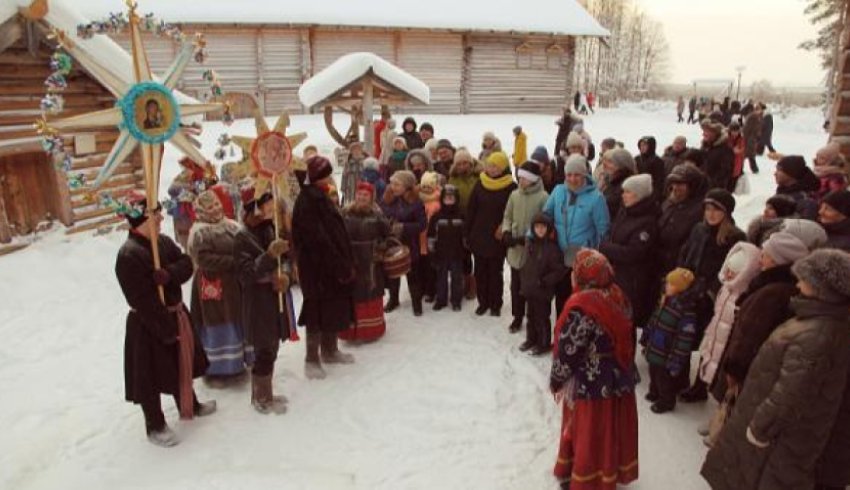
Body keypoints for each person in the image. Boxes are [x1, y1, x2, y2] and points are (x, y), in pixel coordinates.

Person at [701, 250, 850, 490]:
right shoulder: (815, 319)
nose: (798, 281)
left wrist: (760, 428)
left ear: (822, 289)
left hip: (774, 437)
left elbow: (792, 392)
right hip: (771, 429)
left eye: (805, 278)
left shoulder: (818, 334)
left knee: (755, 479)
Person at [115, 193, 214, 447]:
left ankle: (189, 403)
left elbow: (186, 264)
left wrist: (168, 274)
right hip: (149, 324)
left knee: (180, 363)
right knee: (151, 374)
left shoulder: (162, 242)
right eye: (154, 214)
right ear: (139, 219)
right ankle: (154, 425)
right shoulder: (129, 255)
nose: (160, 218)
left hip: (174, 313)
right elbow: (142, 300)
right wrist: (164, 327)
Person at [550, 248, 639, 490]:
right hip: (618, 378)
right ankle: (608, 474)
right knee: (609, 431)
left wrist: (557, 378)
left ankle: (586, 480)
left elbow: (570, 348)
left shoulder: (582, 305)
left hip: (590, 381)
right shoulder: (618, 294)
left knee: (588, 433)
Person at [720, 232, 811, 400]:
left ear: (779, 261)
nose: (760, 260)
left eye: (765, 256)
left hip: (748, 365)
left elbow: (751, 333)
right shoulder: (782, 285)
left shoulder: (772, 292)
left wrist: (734, 369)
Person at [677, 188, 746, 403]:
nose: (711, 214)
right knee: (685, 336)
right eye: (708, 208)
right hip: (689, 288)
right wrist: (680, 276)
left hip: (710, 297)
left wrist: (709, 290)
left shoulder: (734, 237)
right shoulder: (699, 229)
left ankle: (700, 385)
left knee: (707, 342)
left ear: (726, 212)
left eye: (716, 210)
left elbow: (732, 271)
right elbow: (686, 253)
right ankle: (680, 378)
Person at [292, 156, 357, 379]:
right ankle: (311, 359)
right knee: (317, 311)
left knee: (333, 307)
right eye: (327, 174)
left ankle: (330, 350)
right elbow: (317, 239)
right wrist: (336, 263)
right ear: (319, 177)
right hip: (318, 268)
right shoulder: (307, 201)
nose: (330, 177)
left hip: (331, 265)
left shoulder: (320, 196)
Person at [234, 185, 293, 411]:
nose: (270, 209)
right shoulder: (241, 238)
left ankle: (265, 392)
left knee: (273, 346)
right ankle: (261, 398)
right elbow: (246, 274)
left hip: (274, 297)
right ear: (253, 209)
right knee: (264, 350)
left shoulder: (271, 228)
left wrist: (285, 276)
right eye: (266, 204)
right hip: (258, 302)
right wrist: (269, 256)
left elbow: (285, 259)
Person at [187, 190, 248, 381]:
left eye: (216, 204)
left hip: (233, 286)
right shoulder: (199, 233)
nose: (215, 209)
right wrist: (233, 261)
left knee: (236, 318)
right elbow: (204, 259)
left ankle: (236, 364)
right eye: (210, 207)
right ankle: (218, 369)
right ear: (202, 212)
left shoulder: (230, 226)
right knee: (219, 323)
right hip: (212, 287)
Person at [543, 154, 610, 311]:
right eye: (569, 174)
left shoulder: (596, 198)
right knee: (561, 296)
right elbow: (546, 214)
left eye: (577, 174)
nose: (572, 179)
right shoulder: (558, 191)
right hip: (560, 254)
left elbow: (603, 230)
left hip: (582, 258)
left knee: (579, 299)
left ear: (585, 175)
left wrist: (596, 257)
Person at [695, 242, 762, 399]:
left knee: (718, 367)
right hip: (716, 331)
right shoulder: (726, 288)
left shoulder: (744, 294)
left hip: (727, 338)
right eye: (729, 270)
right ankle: (699, 387)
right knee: (706, 357)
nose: (729, 275)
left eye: (735, 272)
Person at [599, 174, 659, 330]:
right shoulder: (626, 211)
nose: (623, 195)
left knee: (625, 324)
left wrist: (605, 247)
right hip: (616, 276)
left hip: (632, 282)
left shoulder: (647, 222)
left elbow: (634, 253)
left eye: (628, 192)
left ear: (639, 195)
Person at [466, 151, 517, 316]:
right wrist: (467, 233)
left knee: (495, 272)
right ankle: (483, 302)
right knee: (480, 271)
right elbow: (471, 210)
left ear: (503, 167)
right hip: (479, 235)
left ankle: (495, 304)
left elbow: (512, 212)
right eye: (489, 165)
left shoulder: (511, 186)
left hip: (497, 236)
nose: (492, 169)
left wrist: (504, 226)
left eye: (495, 166)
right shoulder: (480, 183)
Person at [339, 182, 391, 342]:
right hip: (350, 260)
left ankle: (370, 331)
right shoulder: (345, 213)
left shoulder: (377, 215)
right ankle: (350, 332)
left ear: (371, 198)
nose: (361, 197)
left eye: (365, 195)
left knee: (370, 293)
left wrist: (381, 248)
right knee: (352, 294)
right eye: (359, 194)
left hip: (371, 263)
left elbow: (387, 236)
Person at [642, 267, 698, 414]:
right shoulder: (664, 300)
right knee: (653, 371)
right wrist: (646, 334)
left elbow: (684, 339)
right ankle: (654, 391)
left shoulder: (686, 310)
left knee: (664, 378)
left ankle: (666, 401)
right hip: (655, 346)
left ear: (679, 288)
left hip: (667, 352)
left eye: (670, 284)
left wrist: (677, 359)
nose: (666, 286)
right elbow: (654, 319)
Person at [501, 161, 549, 332]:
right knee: (515, 285)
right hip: (515, 248)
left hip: (532, 250)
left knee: (530, 285)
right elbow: (507, 216)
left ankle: (532, 316)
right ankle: (517, 316)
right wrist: (506, 232)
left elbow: (546, 222)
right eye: (520, 177)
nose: (521, 181)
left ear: (534, 179)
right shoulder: (514, 195)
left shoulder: (543, 197)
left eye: (525, 178)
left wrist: (528, 237)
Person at [519, 213, 567, 355]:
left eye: (543, 227)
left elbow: (558, 271)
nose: (540, 230)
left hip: (543, 291)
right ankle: (531, 339)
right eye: (537, 227)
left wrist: (545, 281)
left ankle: (544, 343)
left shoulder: (552, 248)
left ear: (548, 229)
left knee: (542, 318)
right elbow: (525, 265)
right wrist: (524, 282)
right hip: (530, 289)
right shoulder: (530, 245)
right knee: (531, 316)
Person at [381, 170, 427, 316]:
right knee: (393, 273)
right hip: (392, 243)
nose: (393, 187)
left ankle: (416, 303)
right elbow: (381, 215)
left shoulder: (416, 202)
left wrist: (404, 227)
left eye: (397, 184)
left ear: (406, 186)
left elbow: (422, 224)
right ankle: (393, 299)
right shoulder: (387, 199)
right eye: (392, 183)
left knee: (412, 274)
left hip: (409, 243)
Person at [655, 163, 709, 277]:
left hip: (676, 268)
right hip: (658, 264)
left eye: (680, 184)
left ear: (692, 186)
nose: (675, 187)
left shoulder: (700, 211)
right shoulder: (668, 202)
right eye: (673, 183)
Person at [448, 148, 482, 301]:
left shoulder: (479, 176)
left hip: (477, 220)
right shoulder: (452, 178)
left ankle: (476, 284)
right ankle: (466, 283)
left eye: (465, 163)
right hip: (459, 220)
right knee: (464, 254)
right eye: (459, 163)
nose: (462, 166)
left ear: (470, 163)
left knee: (477, 254)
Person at [427, 185, 466, 311]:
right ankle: (441, 300)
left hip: (457, 253)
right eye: (446, 197)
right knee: (441, 278)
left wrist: (466, 251)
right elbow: (431, 235)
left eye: (452, 197)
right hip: (441, 253)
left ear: (456, 199)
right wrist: (432, 251)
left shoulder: (461, 215)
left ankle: (456, 300)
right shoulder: (436, 217)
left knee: (456, 278)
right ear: (442, 199)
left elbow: (465, 236)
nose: (449, 199)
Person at [418, 171, 442, 302]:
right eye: (424, 186)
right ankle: (425, 288)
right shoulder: (419, 198)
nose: (426, 189)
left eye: (429, 186)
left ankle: (434, 290)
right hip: (420, 235)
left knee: (433, 264)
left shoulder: (438, 200)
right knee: (424, 263)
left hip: (432, 234)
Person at [774, 155, 819, 220]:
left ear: (791, 172)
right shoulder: (783, 191)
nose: (775, 173)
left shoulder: (805, 199)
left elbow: (801, 226)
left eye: (779, 170)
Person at [599, 148, 636, 219]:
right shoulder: (612, 181)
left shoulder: (626, 185)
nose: (606, 165)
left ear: (621, 165)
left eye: (611, 162)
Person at [700, 120, 734, 191]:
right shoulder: (705, 147)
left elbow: (725, 172)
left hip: (713, 189)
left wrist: (712, 184)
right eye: (704, 131)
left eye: (707, 132)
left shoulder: (725, 150)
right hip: (700, 186)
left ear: (715, 133)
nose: (703, 134)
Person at [635, 136, 666, 203]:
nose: (642, 147)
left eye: (645, 145)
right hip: (637, 189)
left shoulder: (657, 161)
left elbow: (659, 180)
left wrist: (656, 196)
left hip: (651, 192)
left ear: (651, 146)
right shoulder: (637, 159)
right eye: (641, 145)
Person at [341, 141, 366, 206]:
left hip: (362, 188)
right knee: (350, 205)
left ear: (361, 151)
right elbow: (344, 176)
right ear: (351, 152)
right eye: (354, 150)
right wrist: (343, 188)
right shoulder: (348, 164)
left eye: (358, 149)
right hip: (350, 189)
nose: (356, 151)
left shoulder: (365, 162)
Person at [742, 104, 763, 173]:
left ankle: (753, 169)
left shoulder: (752, 116)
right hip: (751, 138)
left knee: (746, 155)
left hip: (750, 138)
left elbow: (748, 128)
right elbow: (749, 128)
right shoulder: (754, 116)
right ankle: (754, 169)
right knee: (749, 155)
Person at [727, 121, 746, 192]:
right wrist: (732, 150)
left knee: (732, 187)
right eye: (733, 131)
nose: (735, 133)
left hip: (736, 167)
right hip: (727, 166)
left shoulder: (741, 140)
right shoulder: (727, 138)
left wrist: (739, 151)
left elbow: (742, 152)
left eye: (736, 131)